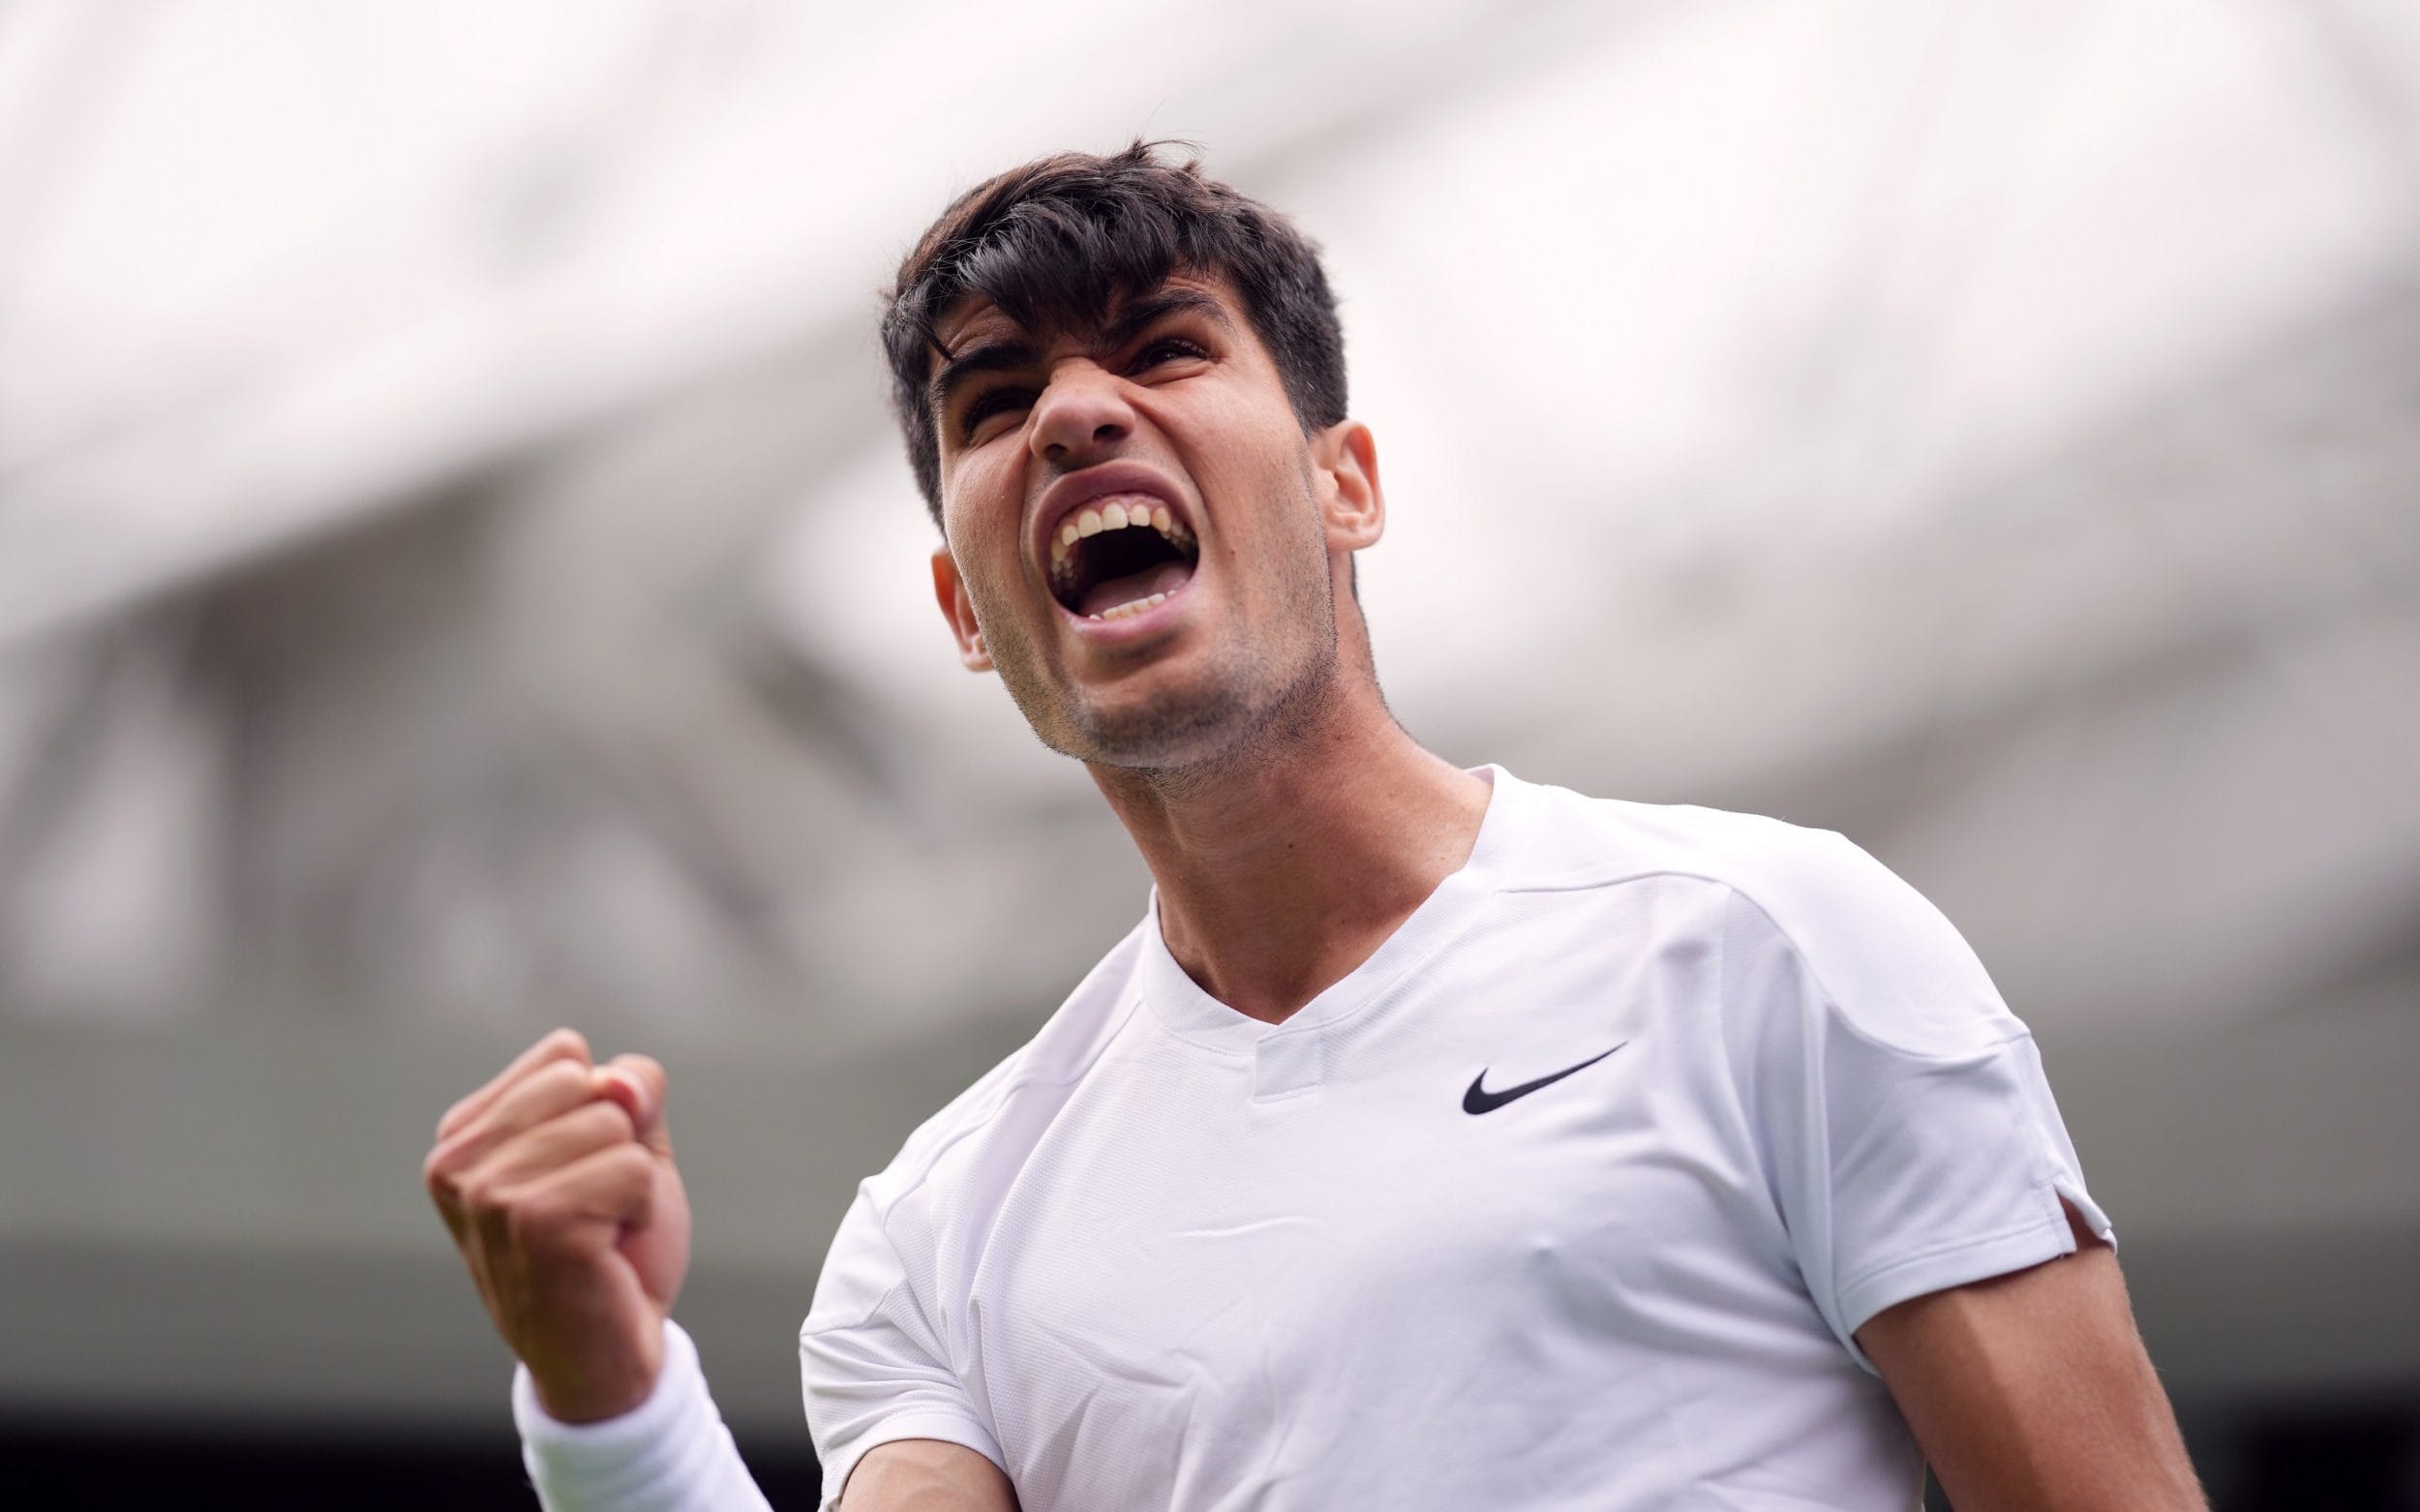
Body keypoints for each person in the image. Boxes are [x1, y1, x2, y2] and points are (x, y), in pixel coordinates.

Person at [423, 142, 2208, 1511]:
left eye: (1161, 350)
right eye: (994, 402)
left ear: (1347, 484)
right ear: (966, 609)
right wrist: (605, 1393)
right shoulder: (937, 1237)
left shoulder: (1775, 943)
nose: (1072, 414)